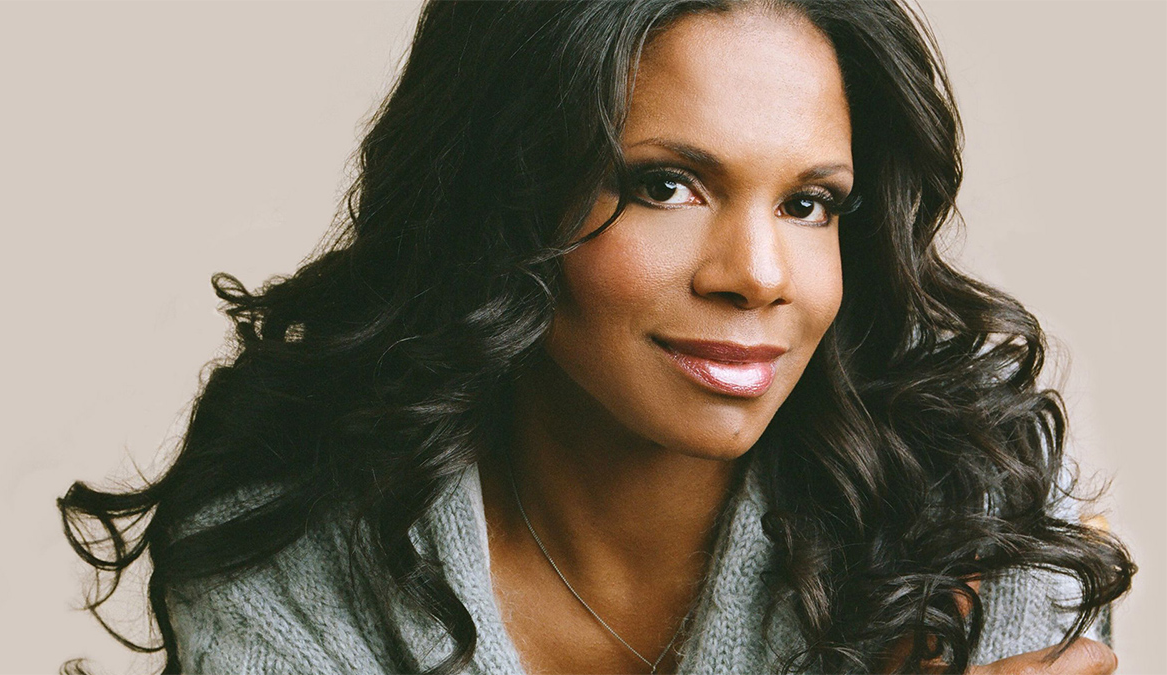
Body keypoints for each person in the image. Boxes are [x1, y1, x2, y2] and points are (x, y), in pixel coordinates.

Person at [59, 0, 1135, 673]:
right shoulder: (293, 552)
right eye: (664, 185)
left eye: (809, 204)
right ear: (504, 198)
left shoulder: (974, 515)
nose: (759, 274)